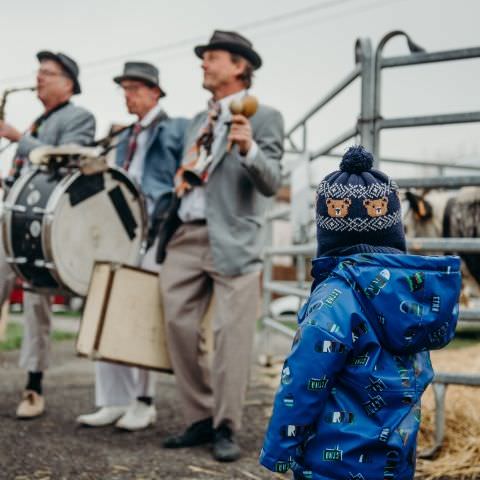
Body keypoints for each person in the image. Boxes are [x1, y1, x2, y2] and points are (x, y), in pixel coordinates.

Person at [259, 146, 461, 479]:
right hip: (396, 462)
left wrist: (279, 451)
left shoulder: (333, 299)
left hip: (332, 464)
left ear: (328, 234)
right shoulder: (411, 297)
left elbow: (304, 380)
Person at [159, 30, 284, 462]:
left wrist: (248, 147)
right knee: (177, 326)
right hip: (187, 235)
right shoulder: (199, 120)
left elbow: (272, 182)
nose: (203, 64)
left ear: (238, 66)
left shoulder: (265, 116)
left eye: (211, 57)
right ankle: (200, 416)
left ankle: (226, 424)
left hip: (234, 238)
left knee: (231, 336)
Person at [76, 62, 188, 430]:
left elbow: (182, 176)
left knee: (141, 313)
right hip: (121, 230)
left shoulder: (175, 129)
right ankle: (113, 400)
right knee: (108, 308)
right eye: (124, 88)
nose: (128, 95)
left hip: (155, 228)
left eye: (135, 88)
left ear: (155, 92)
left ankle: (144, 400)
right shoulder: (122, 136)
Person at [0, 51, 95, 418]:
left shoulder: (79, 117)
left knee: (37, 306)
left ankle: (33, 387)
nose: (38, 78)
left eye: (47, 73)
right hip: (14, 219)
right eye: (38, 71)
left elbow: (67, 161)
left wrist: (15, 136)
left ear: (68, 83)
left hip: (46, 228)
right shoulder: (41, 120)